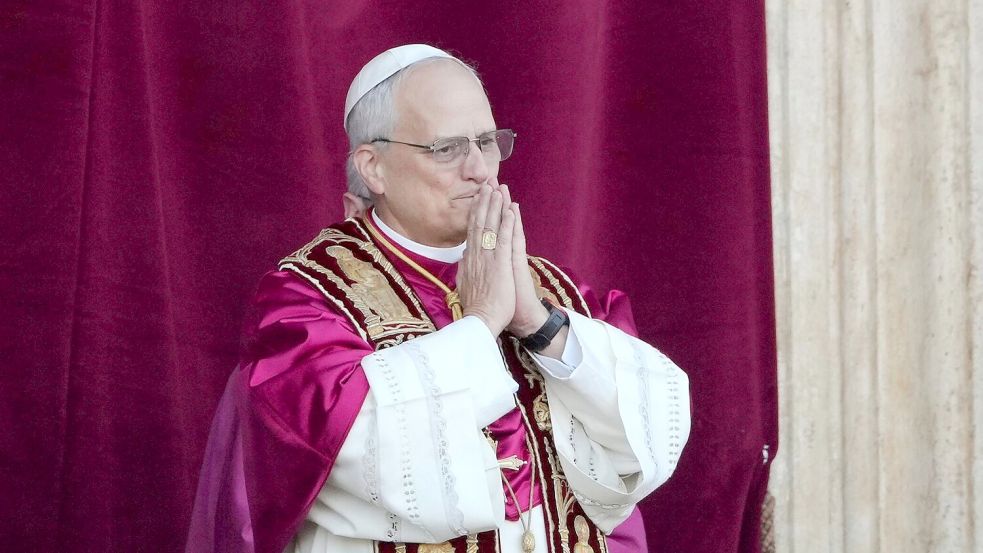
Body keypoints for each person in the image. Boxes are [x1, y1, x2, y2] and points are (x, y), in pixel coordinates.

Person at [187, 44, 691, 553]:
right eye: (447, 148)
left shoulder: (554, 291)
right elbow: (346, 453)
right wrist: (478, 326)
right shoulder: (310, 298)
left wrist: (536, 325)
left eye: (487, 142)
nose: (479, 169)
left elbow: (648, 437)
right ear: (373, 168)